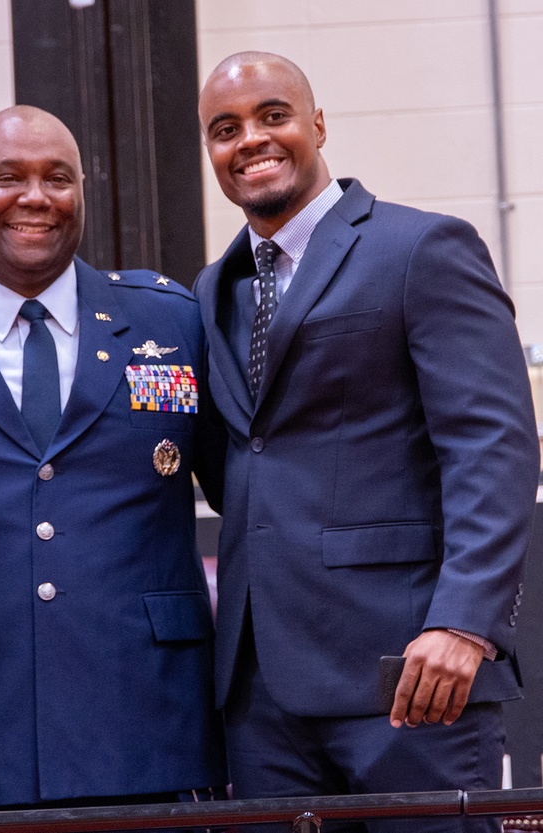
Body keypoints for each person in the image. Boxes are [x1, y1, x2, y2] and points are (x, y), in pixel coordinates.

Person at [193, 51, 539, 832]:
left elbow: (496, 445)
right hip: (260, 697)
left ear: (316, 124)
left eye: (272, 116)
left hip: (411, 680)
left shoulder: (421, 249)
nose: (250, 139)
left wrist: (464, 622)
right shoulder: (212, 289)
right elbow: (239, 463)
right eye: (225, 129)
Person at [0, 105, 226, 814]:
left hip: (148, 727)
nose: (35, 197)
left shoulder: (170, 320)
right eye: (7, 177)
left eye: (58, 177)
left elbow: (238, 481)